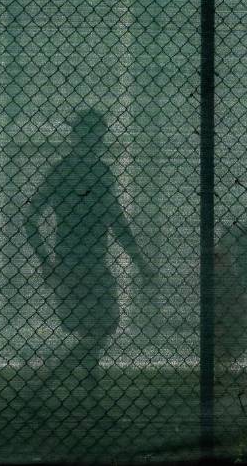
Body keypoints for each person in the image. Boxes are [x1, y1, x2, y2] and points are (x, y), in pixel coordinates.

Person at [24, 108, 152, 385]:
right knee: (102, 326)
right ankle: (49, 378)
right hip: (87, 263)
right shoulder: (96, 171)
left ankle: (86, 395)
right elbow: (116, 221)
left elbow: (30, 218)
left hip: (72, 262)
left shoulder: (63, 170)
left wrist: (46, 260)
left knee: (93, 330)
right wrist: (141, 263)